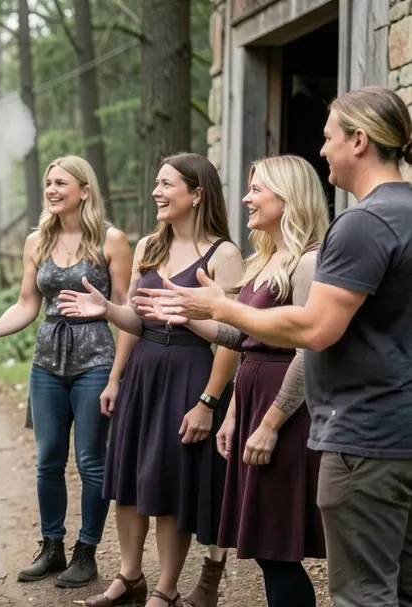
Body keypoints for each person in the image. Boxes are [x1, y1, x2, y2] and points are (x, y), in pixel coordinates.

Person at [144, 87, 412, 607]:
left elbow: (314, 332)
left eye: (329, 137)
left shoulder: (362, 224)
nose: (323, 150)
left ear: (359, 140)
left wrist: (221, 307)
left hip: (366, 438)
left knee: (363, 594)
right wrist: (200, 312)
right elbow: (256, 337)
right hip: (394, 433)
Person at [136, 154, 328, 606]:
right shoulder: (268, 259)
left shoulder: (306, 263)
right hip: (255, 397)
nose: (246, 197)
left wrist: (270, 424)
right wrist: (184, 313)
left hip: (284, 407)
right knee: (265, 547)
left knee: (277, 547)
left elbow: (307, 352)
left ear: (288, 197)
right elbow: (240, 338)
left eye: (257, 189)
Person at [57, 153, 244, 607]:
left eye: (167, 185)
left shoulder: (226, 254)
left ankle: (165, 591)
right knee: (128, 479)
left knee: (170, 483)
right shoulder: (148, 248)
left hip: (189, 373)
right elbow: (138, 321)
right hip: (144, 372)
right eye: (157, 184)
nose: (157, 193)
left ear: (197, 194)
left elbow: (235, 338)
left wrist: (207, 402)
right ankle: (129, 578)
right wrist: (108, 311)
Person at [0, 156, 131, 588]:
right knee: (48, 458)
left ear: (84, 190)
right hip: (47, 363)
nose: (52, 190)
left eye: (61, 183)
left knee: (92, 462)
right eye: (48, 183)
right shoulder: (37, 240)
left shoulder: (111, 240)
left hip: (95, 361)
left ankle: (86, 551)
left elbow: (127, 312)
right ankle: (51, 546)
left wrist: (115, 379)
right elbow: (26, 304)